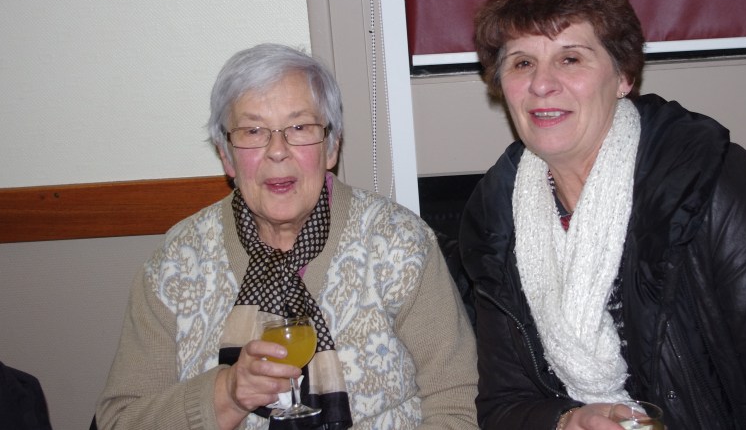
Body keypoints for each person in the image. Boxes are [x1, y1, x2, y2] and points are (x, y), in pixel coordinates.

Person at [458, 0, 746, 430]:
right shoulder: (498, 218)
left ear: (623, 77)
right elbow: (504, 406)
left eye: (570, 58)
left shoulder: (709, 185)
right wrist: (567, 421)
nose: (542, 84)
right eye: (523, 63)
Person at [96, 43, 478, 430]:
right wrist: (227, 394)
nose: (277, 151)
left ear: (332, 146)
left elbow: (457, 405)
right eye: (253, 131)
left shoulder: (399, 244)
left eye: (299, 128)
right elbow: (120, 421)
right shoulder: (176, 263)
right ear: (226, 156)